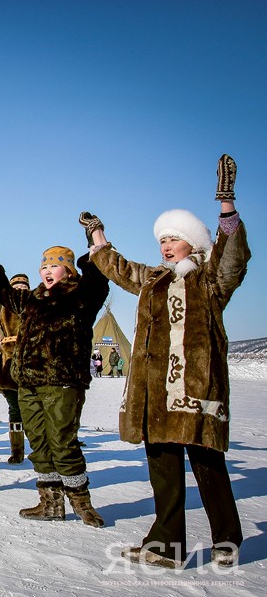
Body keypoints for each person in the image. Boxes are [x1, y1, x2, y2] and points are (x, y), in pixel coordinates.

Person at [84, 154, 249, 568]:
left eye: (173, 240)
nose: (165, 246)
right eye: (162, 240)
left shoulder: (209, 280)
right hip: (153, 391)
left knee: (208, 464)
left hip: (197, 390)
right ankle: (166, 547)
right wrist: (98, 237)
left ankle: (228, 539)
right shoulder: (153, 280)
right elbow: (120, 269)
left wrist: (226, 205)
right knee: (163, 470)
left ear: (192, 244)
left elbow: (234, 260)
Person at [0, 238, 108, 526]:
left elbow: (98, 282)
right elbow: (8, 295)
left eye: (55, 266)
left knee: (63, 442)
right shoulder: (33, 299)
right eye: (44, 265)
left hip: (62, 383)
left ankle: (83, 504)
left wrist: (93, 249)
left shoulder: (81, 297)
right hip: (28, 382)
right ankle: (51, 503)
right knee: (40, 443)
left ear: (69, 271)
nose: (46, 270)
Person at [0, 273, 31, 465]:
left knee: (33, 407)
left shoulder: (33, 305)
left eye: (23, 286)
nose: (20, 288)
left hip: (31, 361)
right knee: (14, 407)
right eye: (16, 286)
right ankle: (17, 450)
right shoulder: (3, 308)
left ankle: (41, 447)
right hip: (8, 362)